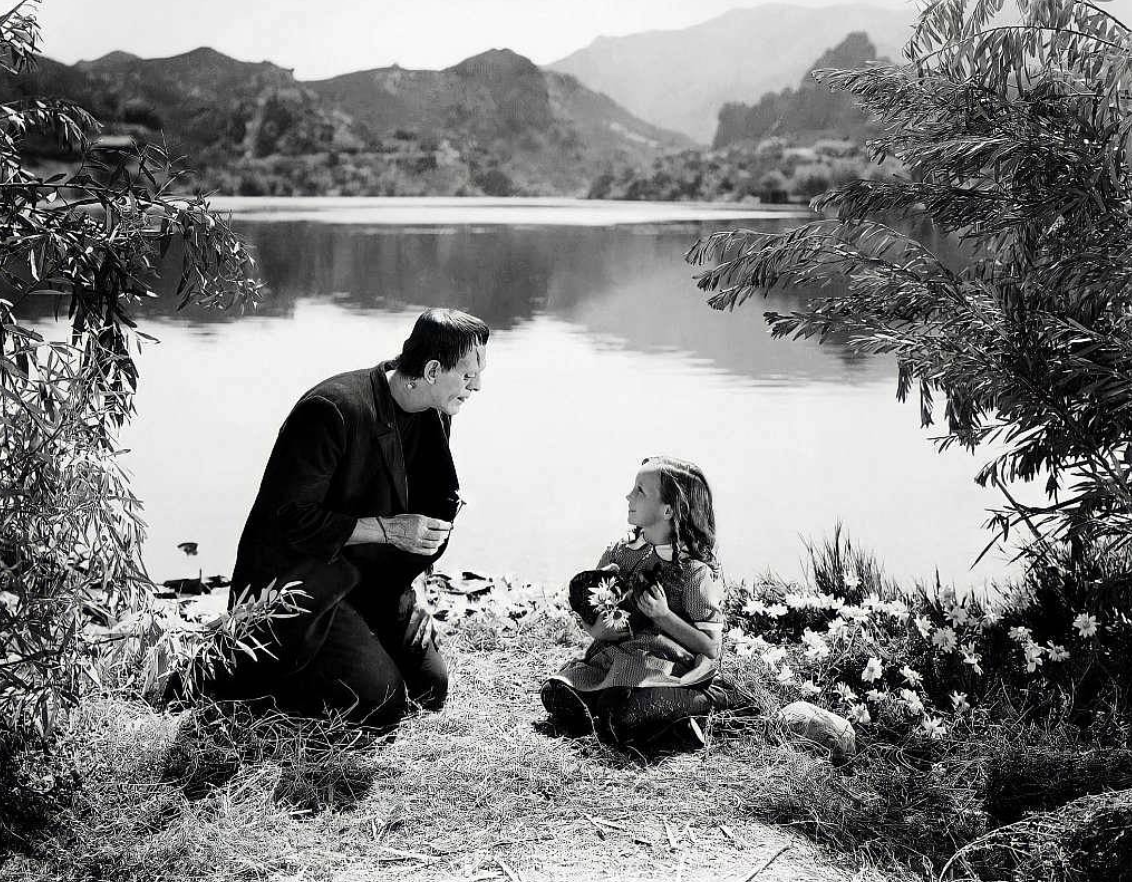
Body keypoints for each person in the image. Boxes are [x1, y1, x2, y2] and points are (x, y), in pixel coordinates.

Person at [211, 308, 489, 729]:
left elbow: (421, 502)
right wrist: (390, 531)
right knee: (382, 702)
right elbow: (291, 520)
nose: (478, 387)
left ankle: (354, 644)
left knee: (431, 687)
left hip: (373, 581)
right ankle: (253, 671)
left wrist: (416, 582)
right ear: (432, 370)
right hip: (301, 583)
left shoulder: (435, 412)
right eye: (468, 376)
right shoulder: (331, 409)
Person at [541, 456, 727, 750]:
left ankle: (705, 704)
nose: (629, 496)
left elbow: (710, 648)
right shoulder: (621, 552)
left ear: (668, 510)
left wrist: (664, 616)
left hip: (665, 669)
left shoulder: (694, 572)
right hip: (616, 660)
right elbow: (595, 607)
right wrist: (597, 632)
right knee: (555, 693)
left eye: (641, 490)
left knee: (626, 715)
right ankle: (639, 718)